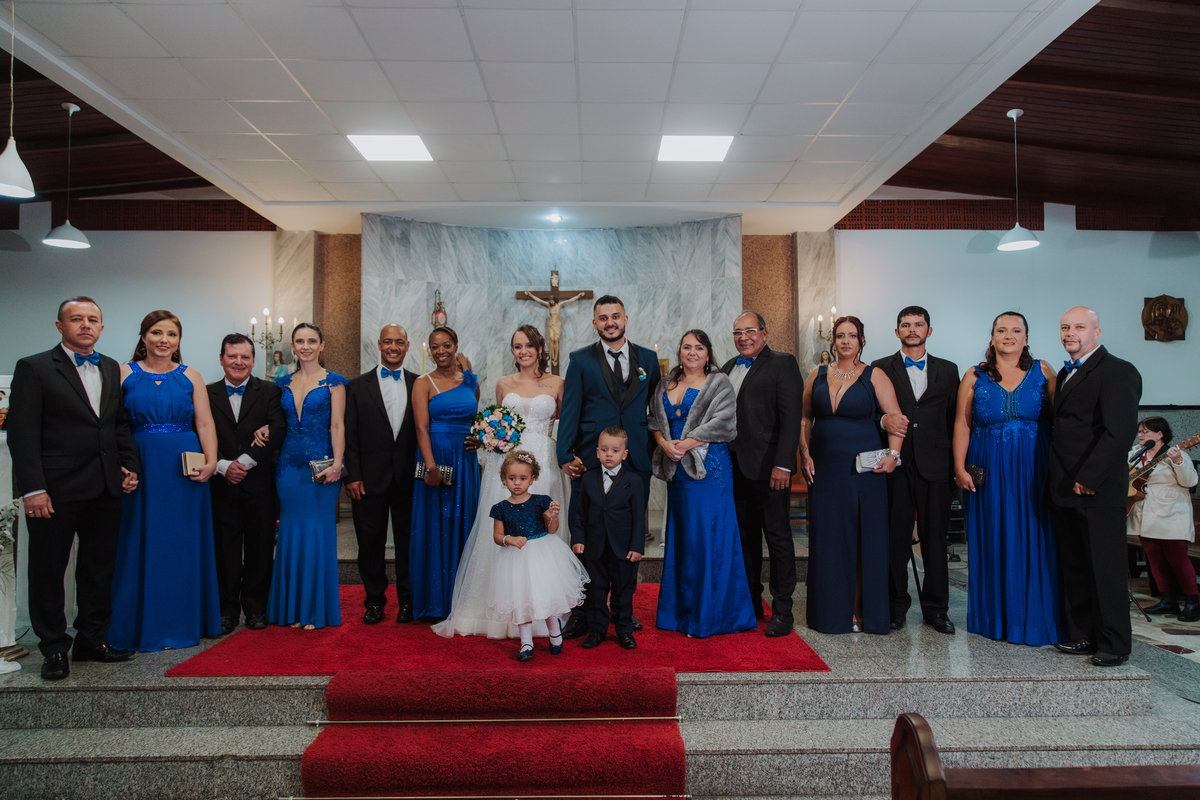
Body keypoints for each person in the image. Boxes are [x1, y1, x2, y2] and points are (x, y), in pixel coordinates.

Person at [7, 297, 140, 680]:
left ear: (101, 327)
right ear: (59, 326)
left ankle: (91, 640)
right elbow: (22, 433)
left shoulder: (111, 367)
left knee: (98, 568)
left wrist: (129, 466)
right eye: (76, 318)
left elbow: (117, 424)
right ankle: (53, 648)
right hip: (54, 490)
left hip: (105, 486)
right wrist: (33, 489)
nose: (85, 325)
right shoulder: (34, 367)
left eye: (92, 319)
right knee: (49, 571)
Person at [434, 325, 566, 639]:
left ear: (540, 349)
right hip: (507, 464)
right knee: (505, 527)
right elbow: (497, 427)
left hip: (543, 462)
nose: (523, 352)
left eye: (529, 345)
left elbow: (564, 422)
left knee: (539, 532)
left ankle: (542, 609)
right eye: (517, 346)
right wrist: (489, 438)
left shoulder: (558, 383)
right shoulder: (504, 383)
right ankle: (503, 611)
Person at [109, 310, 222, 651]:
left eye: (171, 334)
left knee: (181, 543)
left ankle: (184, 621)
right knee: (138, 539)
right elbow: (112, 424)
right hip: (141, 464)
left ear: (178, 341)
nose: (164, 340)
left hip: (183, 471)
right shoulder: (123, 373)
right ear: (143, 336)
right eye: (157, 332)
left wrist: (211, 461)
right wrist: (120, 465)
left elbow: (204, 423)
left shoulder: (191, 375)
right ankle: (137, 625)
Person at [953, 312, 1066, 646]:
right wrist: (959, 468)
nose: (1009, 335)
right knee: (995, 536)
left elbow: (1061, 421)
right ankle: (995, 619)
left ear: (1026, 338)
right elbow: (962, 425)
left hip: (1034, 469)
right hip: (989, 470)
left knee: (1036, 538)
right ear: (992, 337)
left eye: (1016, 330)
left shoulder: (1043, 370)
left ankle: (1036, 620)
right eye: (1001, 330)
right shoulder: (974, 375)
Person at [557, 295, 661, 639]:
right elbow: (570, 409)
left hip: (635, 458)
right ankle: (584, 611)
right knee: (585, 535)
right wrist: (564, 454)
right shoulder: (580, 360)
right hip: (591, 458)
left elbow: (655, 408)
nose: (610, 322)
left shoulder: (647, 359)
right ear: (594, 323)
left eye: (615, 316)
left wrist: (658, 447)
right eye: (603, 318)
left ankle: (622, 611)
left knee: (628, 536)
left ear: (626, 319)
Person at [1048, 307, 1142, 667]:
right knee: (1076, 567)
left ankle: (1115, 644)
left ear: (1096, 332)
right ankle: (1084, 635)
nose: (1070, 333)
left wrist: (1089, 477)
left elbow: (1119, 432)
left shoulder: (1117, 370)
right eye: (1065, 327)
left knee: (1106, 570)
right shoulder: (1065, 373)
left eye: (1079, 327)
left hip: (1097, 489)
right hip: (1064, 487)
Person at [650, 330, 757, 638]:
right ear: (680, 351)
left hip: (709, 469)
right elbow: (654, 421)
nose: (692, 352)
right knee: (684, 538)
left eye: (699, 347)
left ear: (708, 352)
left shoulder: (718, 382)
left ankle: (710, 614)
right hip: (676, 469)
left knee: (709, 537)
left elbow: (725, 423)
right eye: (687, 347)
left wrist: (686, 444)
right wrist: (664, 444)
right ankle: (679, 613)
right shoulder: (666, 383)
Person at [801, 316, 903, 635]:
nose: (846, 341)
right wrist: (804, 453)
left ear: (861, 341)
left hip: (863, 470)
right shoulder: (817, 374)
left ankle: (860, 610)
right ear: (832, 340)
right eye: (840, 335)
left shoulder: (875, 375)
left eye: (852, 336)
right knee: (828, 538)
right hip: (824, 468)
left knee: (861, 537)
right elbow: (804, 418)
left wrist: (894, 455)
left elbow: (896, 419)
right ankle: (829, 612)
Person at [873, 306, 960, 634]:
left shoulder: (949, 370)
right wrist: (884, 420)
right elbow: (871, 413)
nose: (912, 329)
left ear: (929, 331)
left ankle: (936, 609)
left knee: (935, 540)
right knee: (895, 539)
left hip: (936, 466)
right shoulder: (880, 367)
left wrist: (956, 466)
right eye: (906, 325)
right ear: (897, 332)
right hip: (895, 464)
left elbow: (955, 420)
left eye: (918, 324)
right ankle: (896, 607)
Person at [720, 311, 803, 637]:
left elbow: (791, 418)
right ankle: (751, 602)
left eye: (750, 331)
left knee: (778, 539)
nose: (743, 337)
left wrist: (783, 464)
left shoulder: (783, 363)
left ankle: (783, 609)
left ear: (764, 334)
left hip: (769, 470)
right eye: (738, 332)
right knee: (745, 539)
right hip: (734, 468)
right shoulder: (728, 367)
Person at [265, 322, 346, 630]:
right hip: (287, 468)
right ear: (293, 347)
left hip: (322, 469)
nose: (306, 346)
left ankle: (313, 610)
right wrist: (264, 427)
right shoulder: (282, 383)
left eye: (312, 341)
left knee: (316, 533)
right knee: (290, 532)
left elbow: (337, 426)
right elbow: (277, 422)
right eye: (300, 341)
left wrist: (338, 463)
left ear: (322, 345)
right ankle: (291, 609)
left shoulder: (334, 383)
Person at [206, 333, 286, 634]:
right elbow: (198, 431)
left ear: (253, 360)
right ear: (221, 359)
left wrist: (245, 461)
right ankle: (226, 610)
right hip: (220, 484)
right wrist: (224, 466)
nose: (238, 362)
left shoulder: (270, 391)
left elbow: (278, 429)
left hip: (259, 483)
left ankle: (255, 608)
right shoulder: (206, 393)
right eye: (232, 356)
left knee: (260, 547)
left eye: (245, 357)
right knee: (224, 549)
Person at [344, 324, 419, 625]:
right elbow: (349, 435)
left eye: (399, 342)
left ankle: (408, 602)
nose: (393, 347)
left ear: (407, 346)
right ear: (378, 344)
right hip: (367, 479)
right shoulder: (356, 386)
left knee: (407, 544)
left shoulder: (419, 384)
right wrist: (351, 475)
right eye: (388, 341)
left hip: (408, 479)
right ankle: (374, 601)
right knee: (369, 544)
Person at [410, 326, 481, 620]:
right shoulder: (423, 383)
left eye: (446, 345)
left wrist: (479, 438)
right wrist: (430, 467)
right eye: (435, 346)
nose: (441, 351)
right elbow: (421, 428)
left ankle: (464, 600)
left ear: (455, 346)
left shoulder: (470, 381)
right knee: (435, 523)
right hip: (436, 455)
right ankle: (435, 602)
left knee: (465, 522)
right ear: (429, 350)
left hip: (465, 460)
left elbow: (476, 421)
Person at [489, 450, 588, 661]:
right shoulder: (500, 508)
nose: (517, 483)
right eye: (512, 478)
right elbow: (497, 536)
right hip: (515, 558)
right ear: (504, 479)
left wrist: (554, 516)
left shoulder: (541, 501)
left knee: (545, 596)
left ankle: (554, 631)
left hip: (542, 555)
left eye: (523, 478)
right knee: (520, 599)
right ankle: (526, 642)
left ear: (532, 479)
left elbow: (551, 530)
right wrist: (510, 539)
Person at [571, 427, 645, 650]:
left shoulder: (634, 481)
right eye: (604, 450)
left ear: (625, 454)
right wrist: (578, 538)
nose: (609, 454)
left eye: (615, 450)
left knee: (623, 591)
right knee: (596, 590)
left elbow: (638, 517)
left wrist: (637, 546)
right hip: (595, 546)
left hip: (622, 548)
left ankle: (624, 630)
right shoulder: (588, 479)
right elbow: (581, 513)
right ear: (597, 452)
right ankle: (597, 630)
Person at [1128, 417, 1199, 622]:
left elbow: (1190, 481)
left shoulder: (1177, 453)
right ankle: (1168, 600)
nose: (1141, 435)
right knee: (1155, 559)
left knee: (1177, 558)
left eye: (1146, 431)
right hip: (1144, 513)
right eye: (1140, 431)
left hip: (1171, 513)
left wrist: (1178, 462)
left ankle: (1193, 603)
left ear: (1160, 434)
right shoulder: (1134, 454)